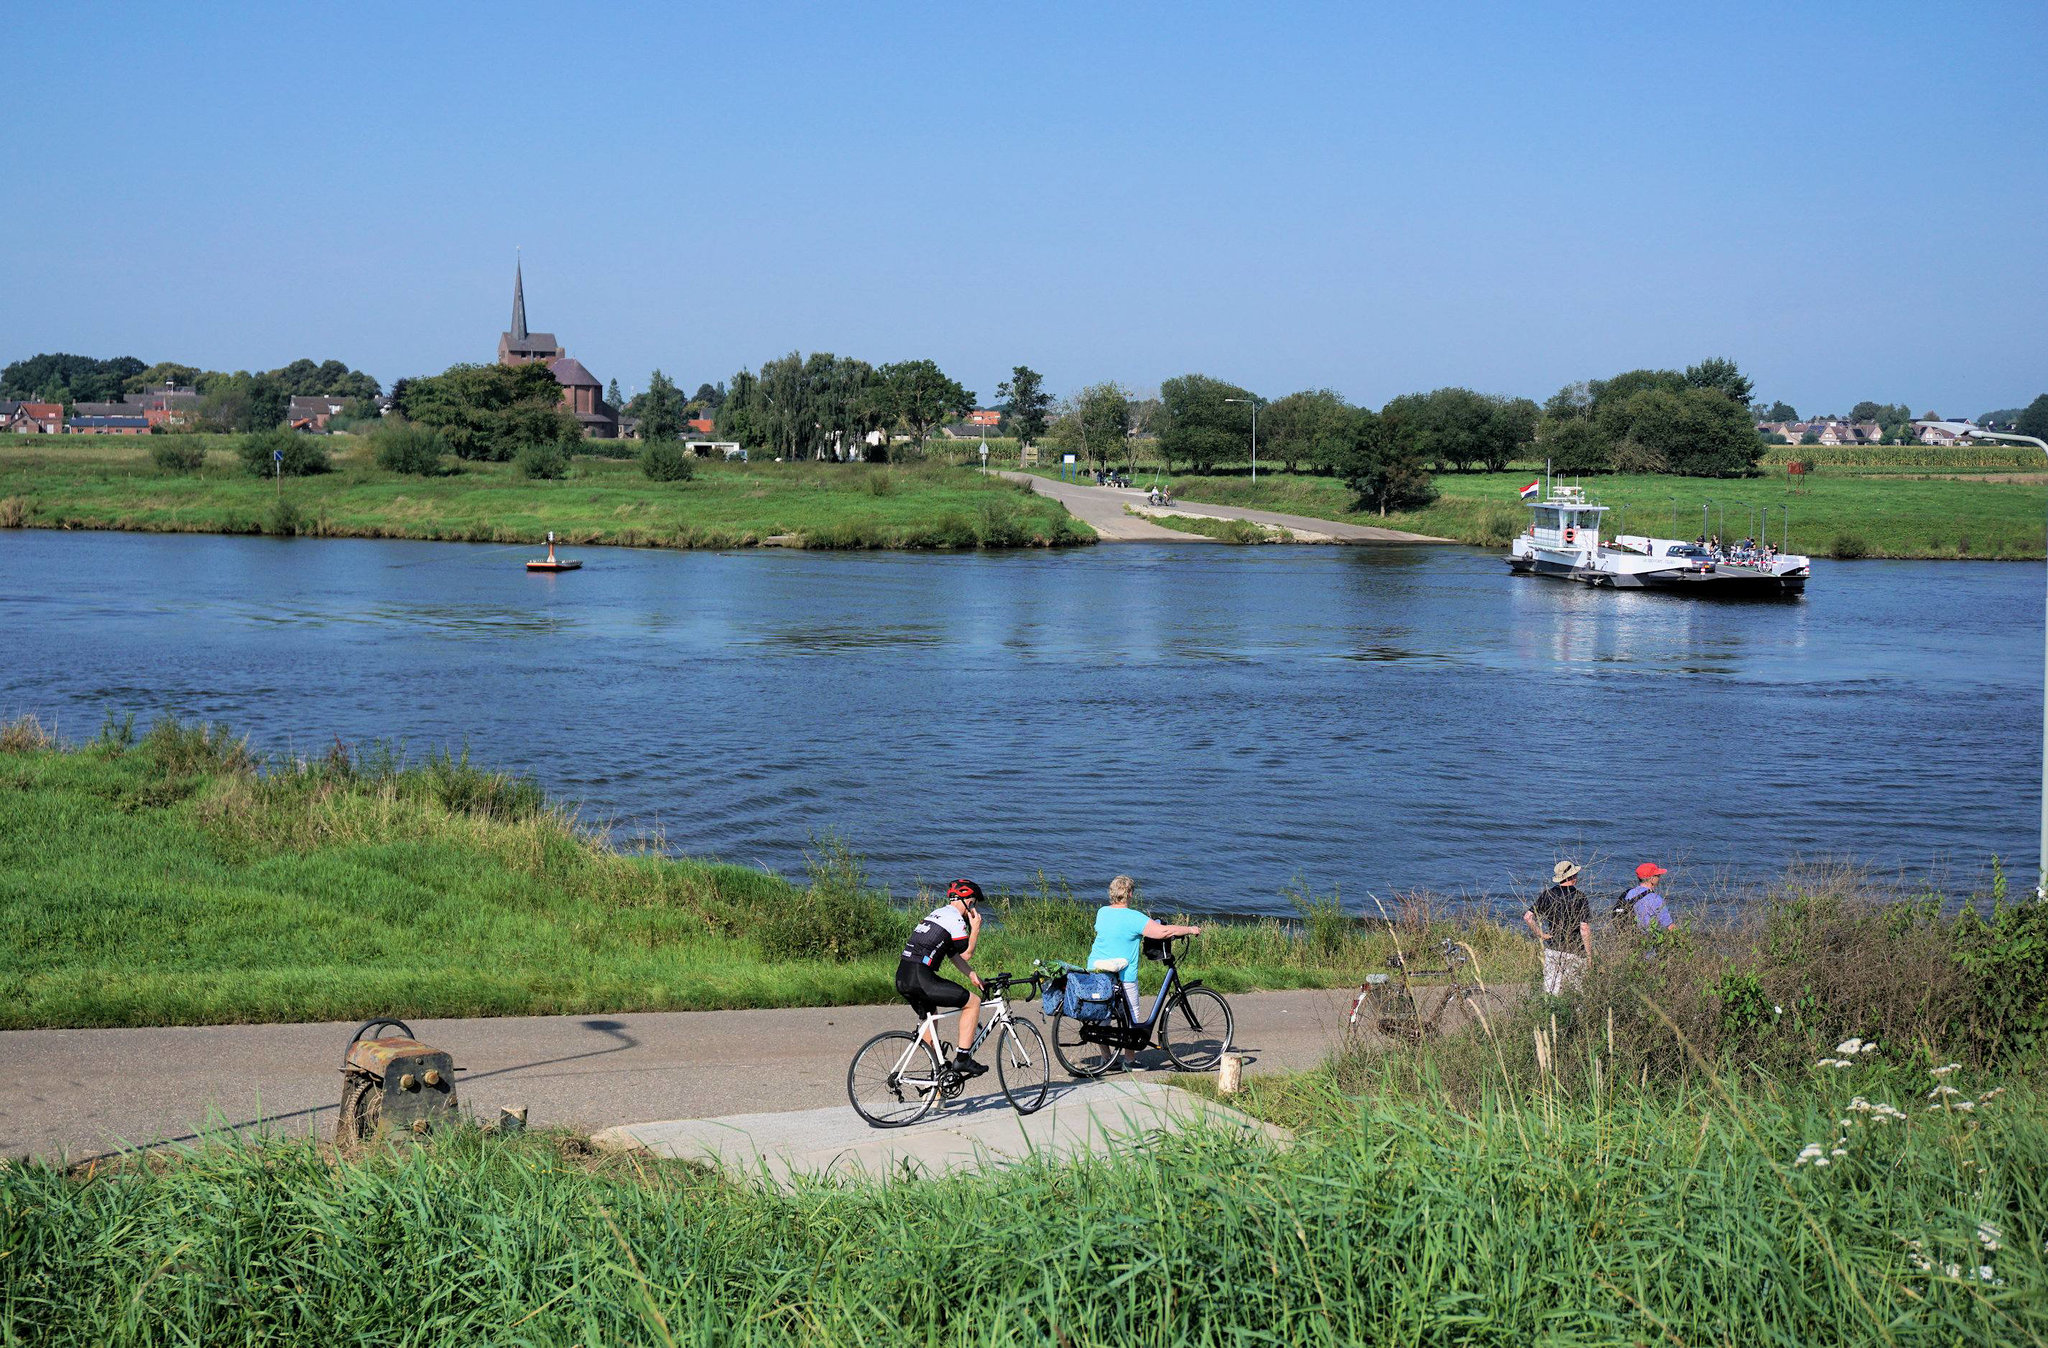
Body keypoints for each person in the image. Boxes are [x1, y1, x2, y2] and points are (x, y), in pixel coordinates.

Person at [1087, 875, 1203, 1069]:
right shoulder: (1134, 917)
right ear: (1130, 893)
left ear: (1112, 893)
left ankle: (1106, 1059)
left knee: (1103, 1015)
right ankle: (1130, 1061)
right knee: (1132, 1015)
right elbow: (1161, 932)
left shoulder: (1102, 912)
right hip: (1123, 975)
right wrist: (1190, 929)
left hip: (1097, 969)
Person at [896, 878, 989, 1077]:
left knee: (931, 1017)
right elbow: (966, 953)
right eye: (975, 903)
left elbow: (952, 954)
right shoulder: (956, 920)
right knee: (973, 1003)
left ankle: (937, 1075)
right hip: (922, 978)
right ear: (969, 902)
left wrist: (972, 974)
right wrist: (976, 929)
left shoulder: (938, 914)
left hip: (904, 977)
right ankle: (963, 1059)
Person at [1524, 860, 1591, 995]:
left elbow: (1528, 917)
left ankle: (1549, 1014)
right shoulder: (1580, 897)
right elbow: (1584, 929)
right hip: (1574, 949)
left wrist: (1541, 935)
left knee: (1550, 990)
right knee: (1577, 990)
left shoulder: (1547, 895)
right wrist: (1589, 955)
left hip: (1553, 948)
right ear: (1572, 877)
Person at [1623, 863, 1676, 932]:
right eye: (1658, 876)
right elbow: (1669, 926)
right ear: (1652, 879)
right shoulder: (1655, 899)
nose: (1659, 878)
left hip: (1632, 934)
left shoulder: (1630, 893)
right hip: (1648, 938)